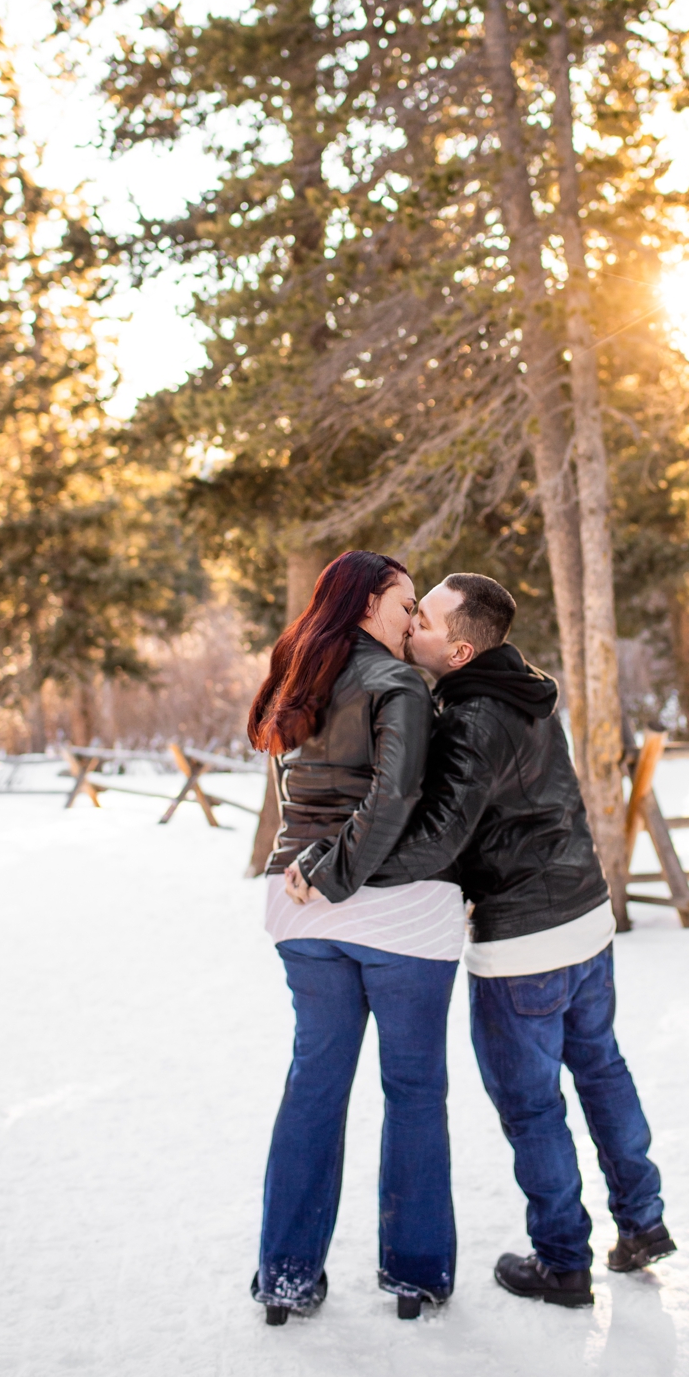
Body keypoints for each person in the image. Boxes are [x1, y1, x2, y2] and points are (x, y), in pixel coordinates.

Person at [298, 572, 674, 1308]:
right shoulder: (528, 692)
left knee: (533, 1107)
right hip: (586, 918)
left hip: (523, 943)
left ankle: (563, 1261)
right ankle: (643, 1222)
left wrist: (335, 869)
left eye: (427, 624)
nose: (412, 631)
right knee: (603, 1073)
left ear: (462, 649)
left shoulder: (471, 719)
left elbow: (438, 838)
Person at [247, 549, 461, 1325]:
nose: (413, 621)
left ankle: (287, 1275)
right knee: (412, 1091)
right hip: (392, 908)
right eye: (406, 604)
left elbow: (294, 796)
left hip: (299, 911)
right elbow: (395, 794)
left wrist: (308, 870)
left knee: (314, 1086)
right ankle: (415, 1274)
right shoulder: (398, 682)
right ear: (370, 601)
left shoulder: (295, 672)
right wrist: (335, 872)